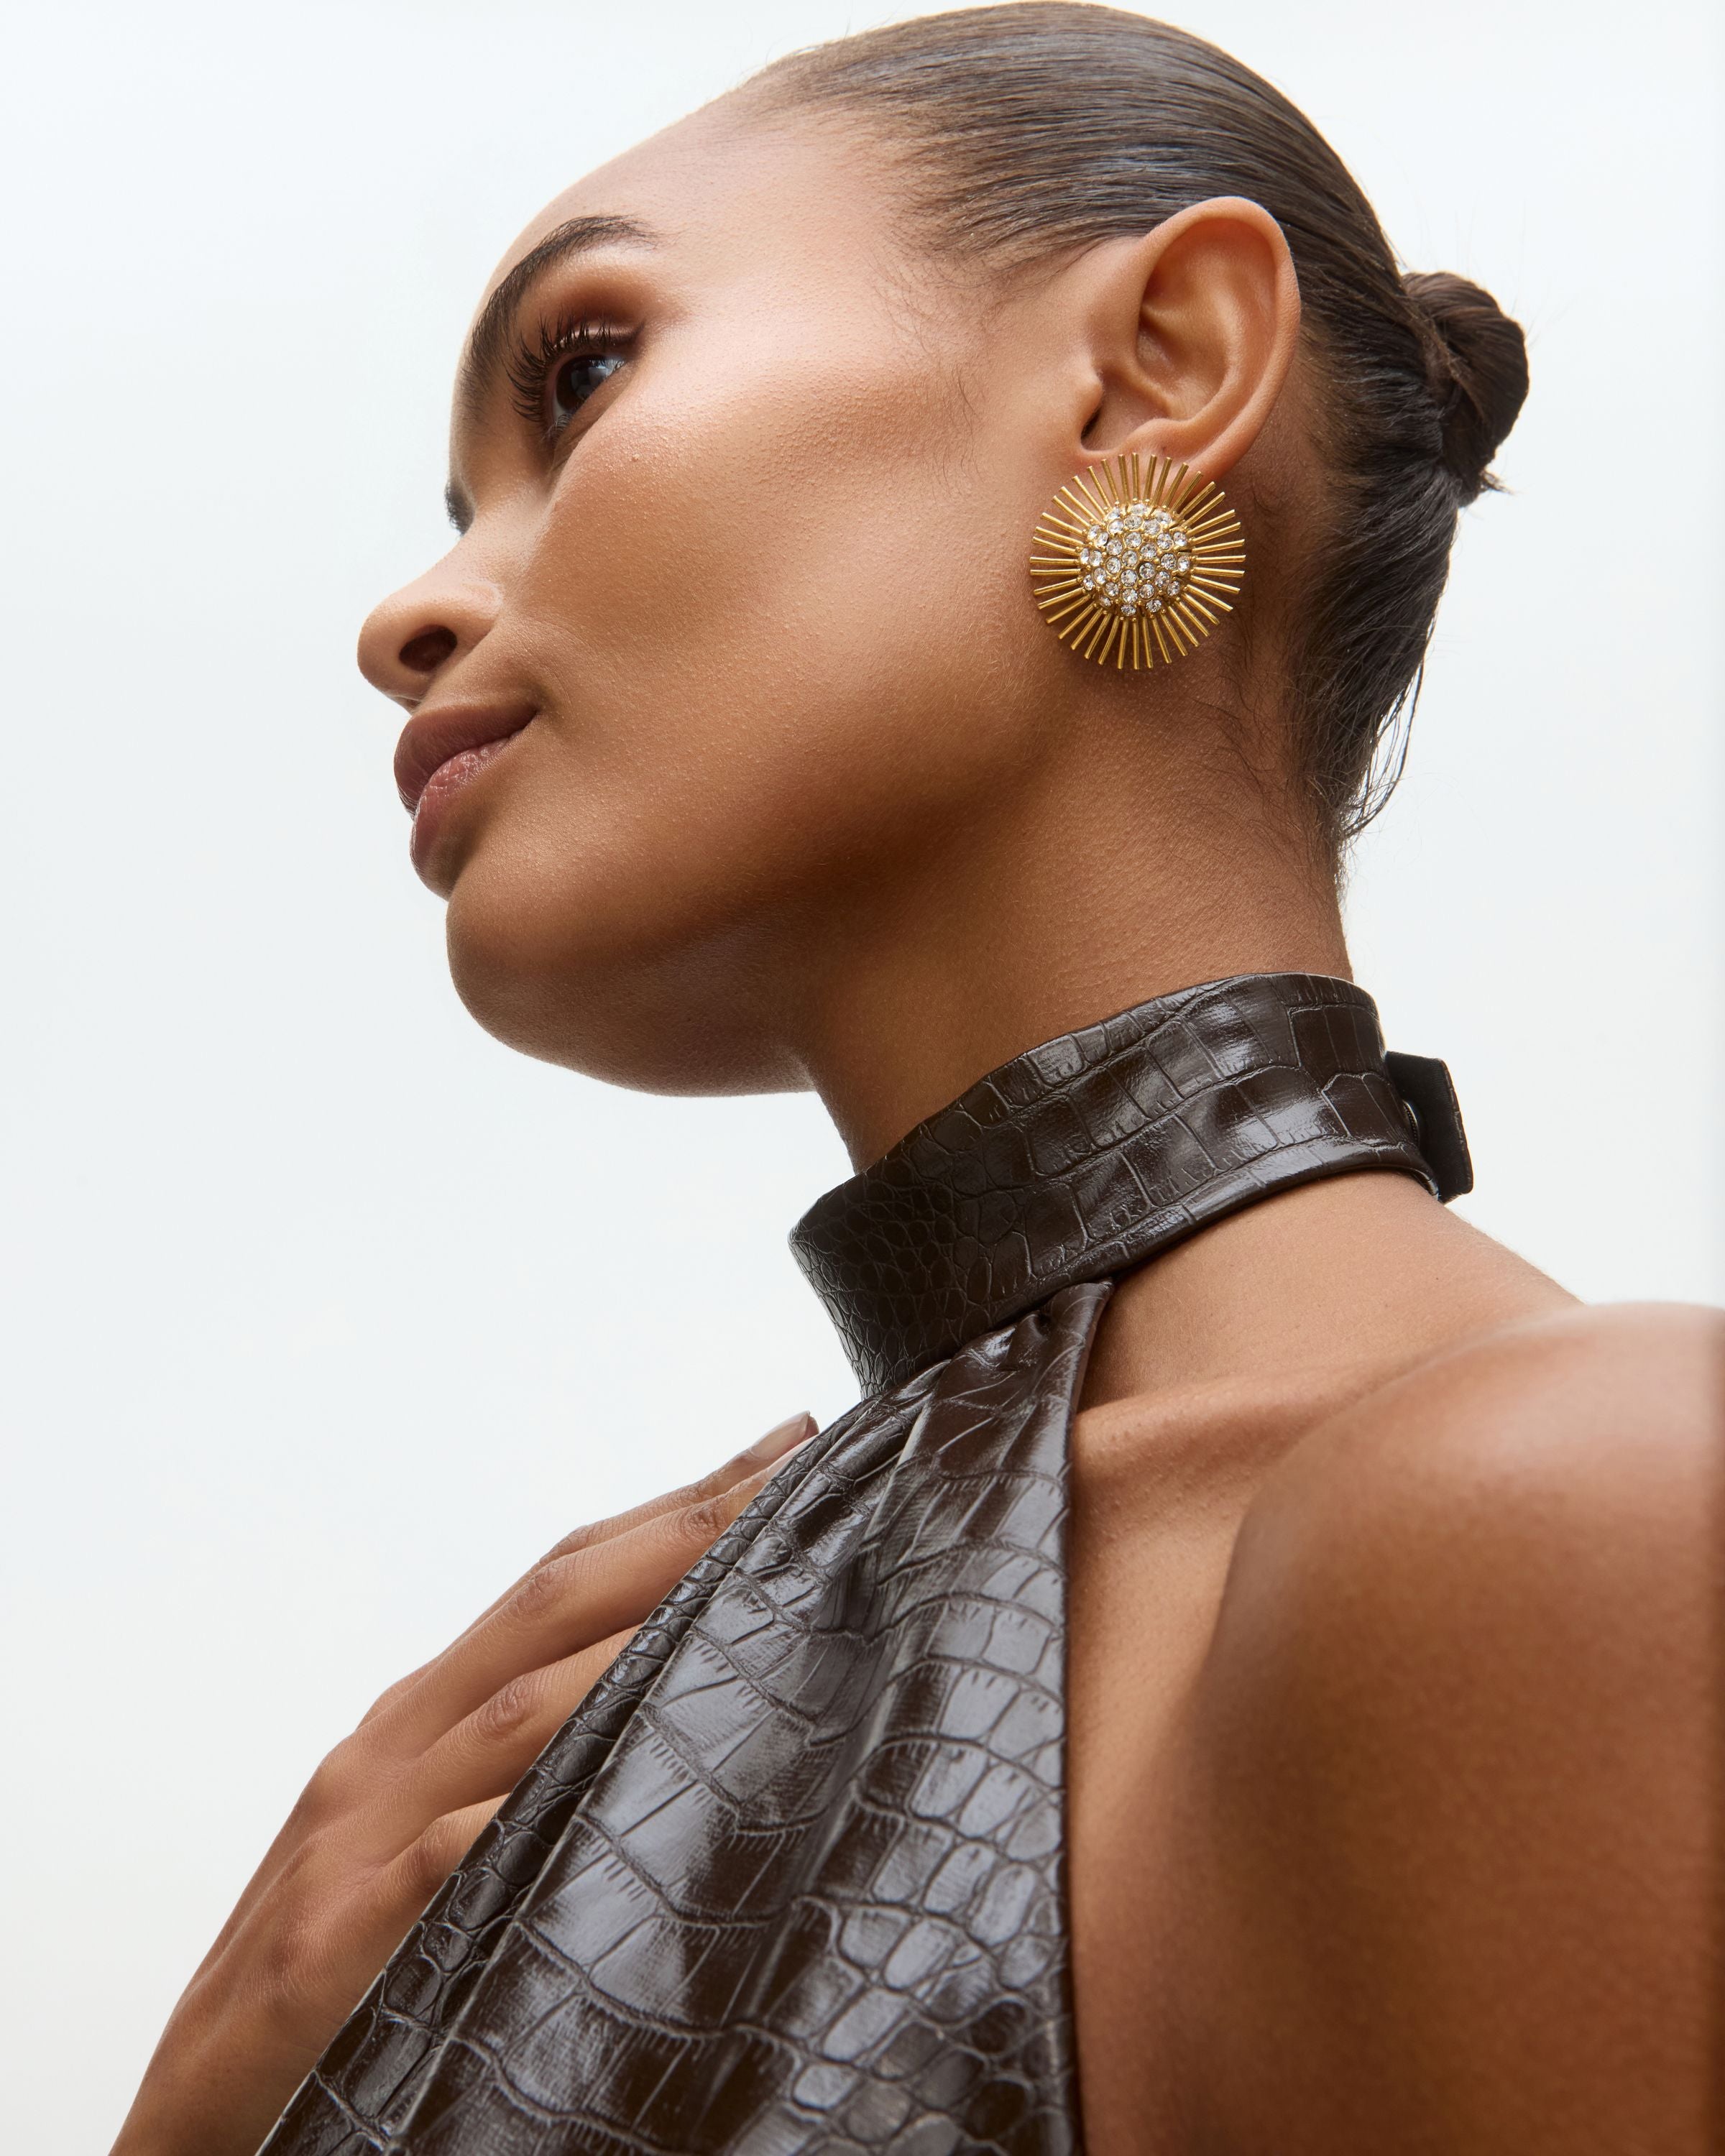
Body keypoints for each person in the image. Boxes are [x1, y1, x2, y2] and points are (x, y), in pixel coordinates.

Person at [114, 8, 1717, 2153]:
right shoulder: (610, 1732)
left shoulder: (1588, 1520)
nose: (412, 612)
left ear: (1158, 368)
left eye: (583, 376)